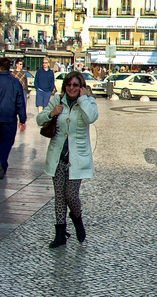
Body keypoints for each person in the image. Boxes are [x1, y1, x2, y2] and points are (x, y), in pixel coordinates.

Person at [39, 72, 98, 248]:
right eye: (69, 85)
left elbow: (91, 118)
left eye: (75, 85)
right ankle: (59, 233)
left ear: (81, 87)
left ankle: (77, 219)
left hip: (77, 158)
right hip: (58, 158)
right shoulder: (57, 100)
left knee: (71, 195)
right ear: (65, 86)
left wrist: (83, 99)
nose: (71, 88)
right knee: (59, 197)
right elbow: (39, 120)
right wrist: (51, 113)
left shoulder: (87, 101)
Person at [0, 60, 23, 179]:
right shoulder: (15, 82)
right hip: (9, 118)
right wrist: (22, 119)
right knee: (7, 142)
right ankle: (1, 162)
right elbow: (20, 102)